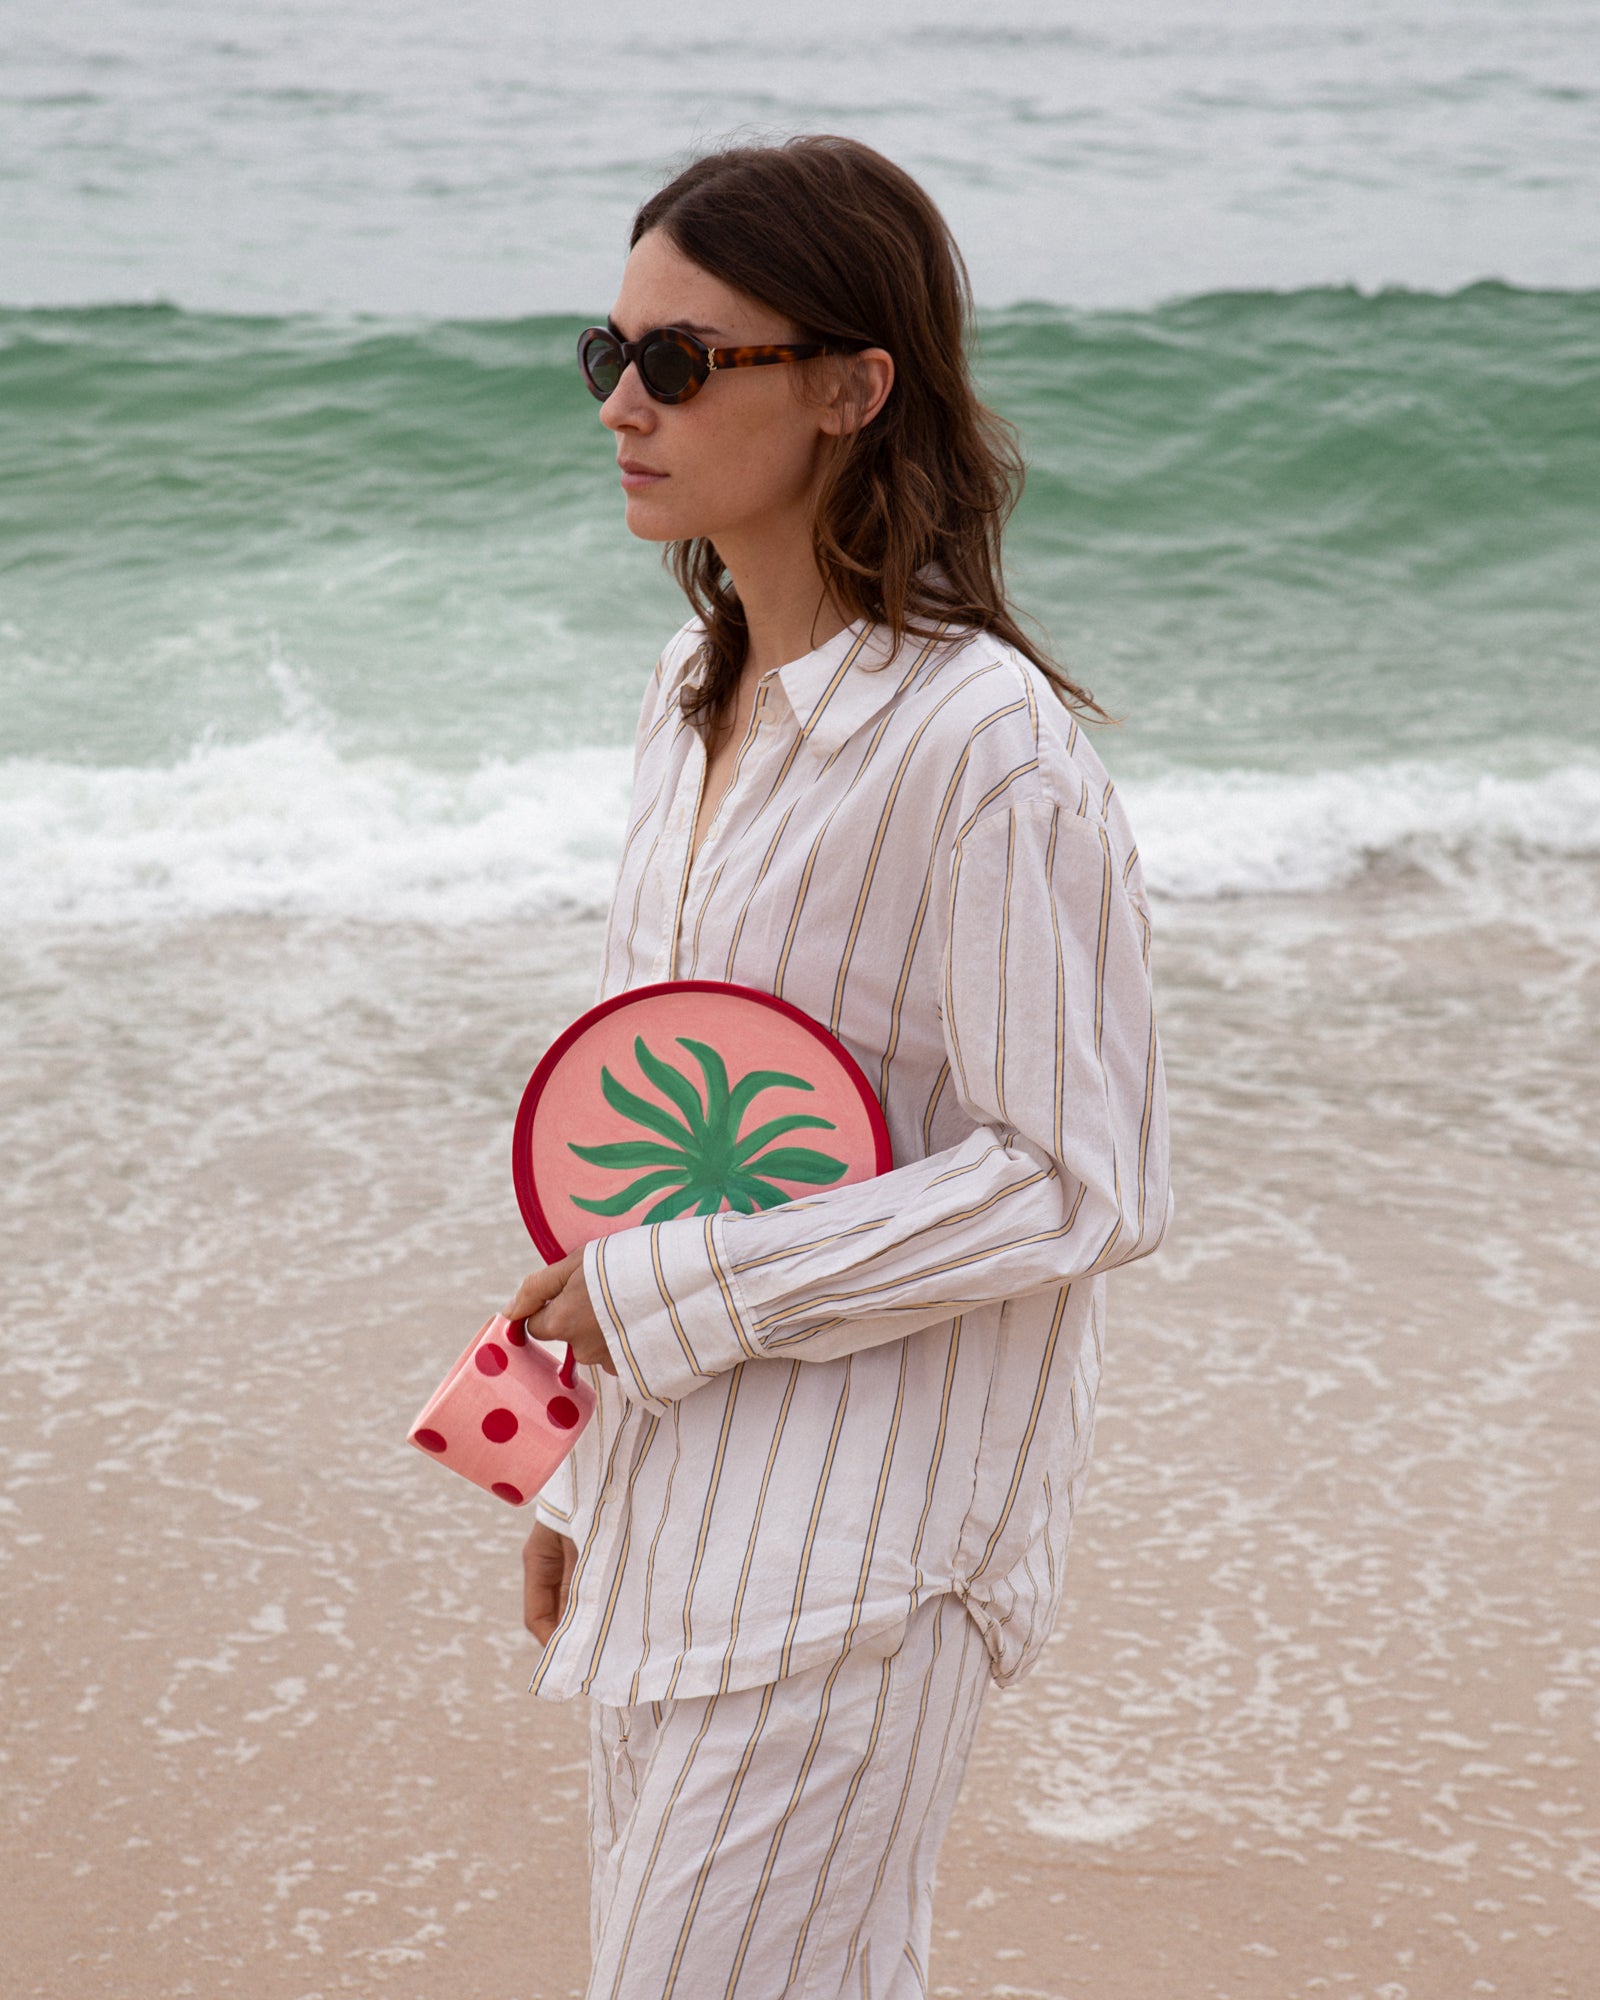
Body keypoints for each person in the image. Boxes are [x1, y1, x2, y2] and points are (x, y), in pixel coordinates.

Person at [506, 135, 1171, 2000]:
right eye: (608, 355)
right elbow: (664, 1119)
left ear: (852, 388)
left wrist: (662, 1296)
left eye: (684, 361)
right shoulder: (684, 699)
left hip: (864, 1563)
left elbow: (1078, 1174)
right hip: (678, 1523)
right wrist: (580, 1476)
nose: (624, 405)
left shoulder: (984, 743)